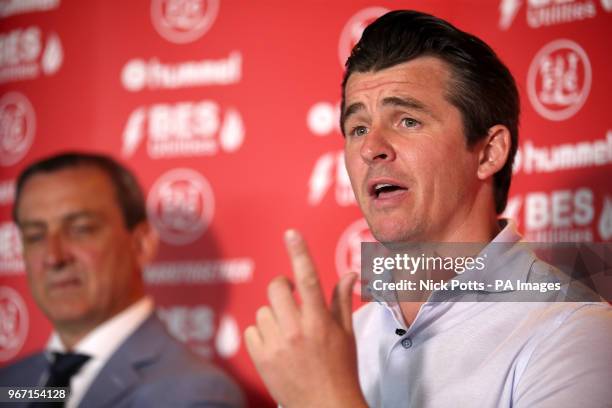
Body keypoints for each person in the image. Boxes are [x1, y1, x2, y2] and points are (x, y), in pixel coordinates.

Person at [244, 10, 612, 408]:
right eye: (359, 128)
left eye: (407, 121)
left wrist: (327, 399)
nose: (371, 148)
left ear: (489, 152)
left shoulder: (576, 333)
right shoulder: (347, 341)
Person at [0, 152, 244, 408]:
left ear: (140, 244)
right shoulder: (13, 384)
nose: (53, 256)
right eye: (35, 236)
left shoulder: (194, 394)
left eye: (81, 229)